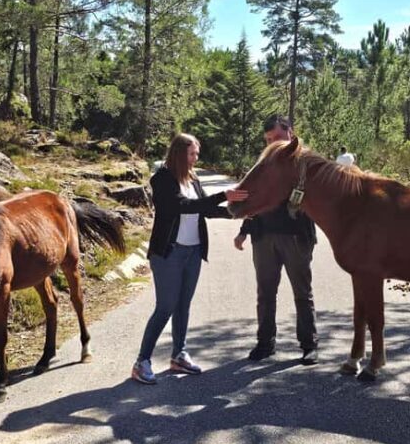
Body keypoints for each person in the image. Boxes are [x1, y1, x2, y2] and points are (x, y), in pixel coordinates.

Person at [132, 133, 248, 385]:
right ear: (179, 153)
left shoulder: (192, 178)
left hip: (193, 251)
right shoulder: (162, 179)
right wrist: (222, 196)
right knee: (165, 307)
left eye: (197, 153)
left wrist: (237, 213)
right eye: (193, 153)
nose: (196, 158)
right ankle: (142, 361)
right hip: (169, 253)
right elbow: (182, 206)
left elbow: (204, 209)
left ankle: (179, 355)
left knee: (183, 305)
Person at [233, 116, 319, 365]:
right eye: (268, 140)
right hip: (263, 236)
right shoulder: (265, 163)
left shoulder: (305, 162)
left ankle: (309, 344)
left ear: (290, 133)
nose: (272, 143)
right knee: (265, 293)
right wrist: (244, 230)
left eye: (276, 137)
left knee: (302, 293)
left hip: (296, 236)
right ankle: (265, 343)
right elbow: (254, 200)